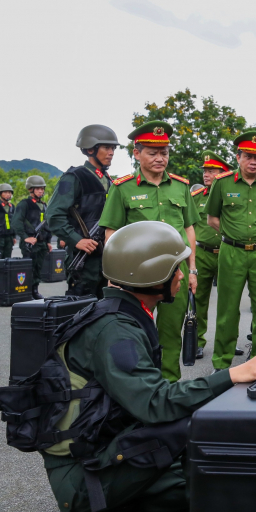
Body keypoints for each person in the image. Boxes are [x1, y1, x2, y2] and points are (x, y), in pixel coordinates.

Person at [33, 221, 256, 512]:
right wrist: (232, 375)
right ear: (153, 275)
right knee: (211, 478)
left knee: (207, 451)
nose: (181, 275)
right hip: (85, 476)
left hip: (104, 447)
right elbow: (154, 403)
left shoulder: (123, 314)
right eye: (175, 268)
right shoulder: (115, 330)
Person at [98, 121, 199, 383]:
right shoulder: (122, 188)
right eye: (152, 153)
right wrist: (114, 277)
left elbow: (189, 229)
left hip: (175, 270)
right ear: (137, 153)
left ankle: (168, 386)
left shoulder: (180, 186)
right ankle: (137, 386)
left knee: (171, 333)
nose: (159, 158)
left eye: (164, 152)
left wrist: (192, 270)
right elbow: (111, 234)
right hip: (136, 274)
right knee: (132, 328)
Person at [204, 132, 256, 371]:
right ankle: (222, 362)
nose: (254, 162)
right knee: (227, 308)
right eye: (248, 156)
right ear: (238, 157)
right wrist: (234, 235)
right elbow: (212, 219)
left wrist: (255, 238)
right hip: (231, 251)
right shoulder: (222, 183)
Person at [46, 125, 117, 299]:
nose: (111, 152)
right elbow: (54, 215)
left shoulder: (109, 180)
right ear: (91, 149)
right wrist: (76, 240)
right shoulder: (74, 177)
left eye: (113, 148)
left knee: (106, 305)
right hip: (84, 259)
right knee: (82, 305)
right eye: (106, 147)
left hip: (106, 256)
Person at [190, 151, 238, 360]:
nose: (206, 174)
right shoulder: (196, 197)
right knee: (198, 299)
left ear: (223, 173)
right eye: (205, 171)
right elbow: (189, 227)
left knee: (229, 300)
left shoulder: (232, 195)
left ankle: (228, 341)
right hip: (202, 253)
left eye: (212, 171)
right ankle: (197, 342)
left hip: (228, 252)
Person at [12, 175, 53, 299]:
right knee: (29, 268)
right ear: (31, 189)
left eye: (42, 189)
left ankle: (35, 290)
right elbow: (16, 222)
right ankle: (27, 291)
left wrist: (48, 241)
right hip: (30, 243)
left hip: (41, 242)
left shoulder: (44, 205)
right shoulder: (24, 204)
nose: (41, 191)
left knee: (38, 267)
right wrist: (25, 237)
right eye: (38, 189)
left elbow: (46, 224)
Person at [0, 183, 16, 258]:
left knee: (8, 258)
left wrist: (14, 236)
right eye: (5, 192)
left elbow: (14, 221)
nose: (8, 194)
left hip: (9, 237)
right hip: (0, 236)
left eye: (9, 192)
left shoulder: (12, 207)